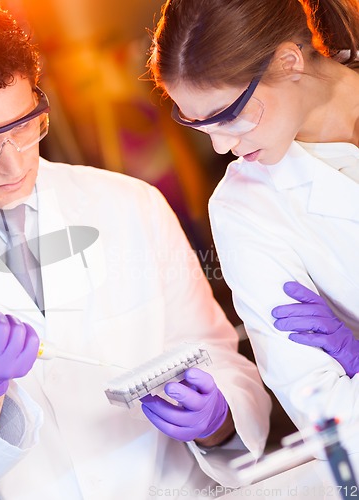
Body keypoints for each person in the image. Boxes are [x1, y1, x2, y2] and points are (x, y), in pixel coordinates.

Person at [0, 1, 271, 498]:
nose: (12, 166)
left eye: (23, 127)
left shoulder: (129, 203)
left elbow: (224, 367)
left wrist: (217, 412)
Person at [148, 0, 359, 464]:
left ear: (289, 61)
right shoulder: (243, 208)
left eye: (230, 113)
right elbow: (325, 408)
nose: (221, 145)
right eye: (197, 123)